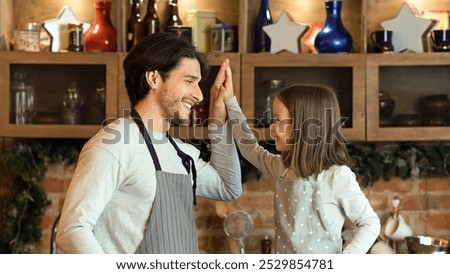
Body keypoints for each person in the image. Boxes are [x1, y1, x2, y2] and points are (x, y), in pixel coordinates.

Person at [56, 33, 242, 254]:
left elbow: (229, 188)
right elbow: (72, 230)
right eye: (189, 81)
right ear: (153, 78)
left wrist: (218, 119)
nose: (199, 95)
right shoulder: (115, 144)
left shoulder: (179, 153)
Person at [215, 64, 380, 253]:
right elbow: (248, 147)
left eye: (278, 120)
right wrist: (230, 101)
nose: (272, 127)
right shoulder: (283, 168)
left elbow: (370, 223)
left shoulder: (336, 177)